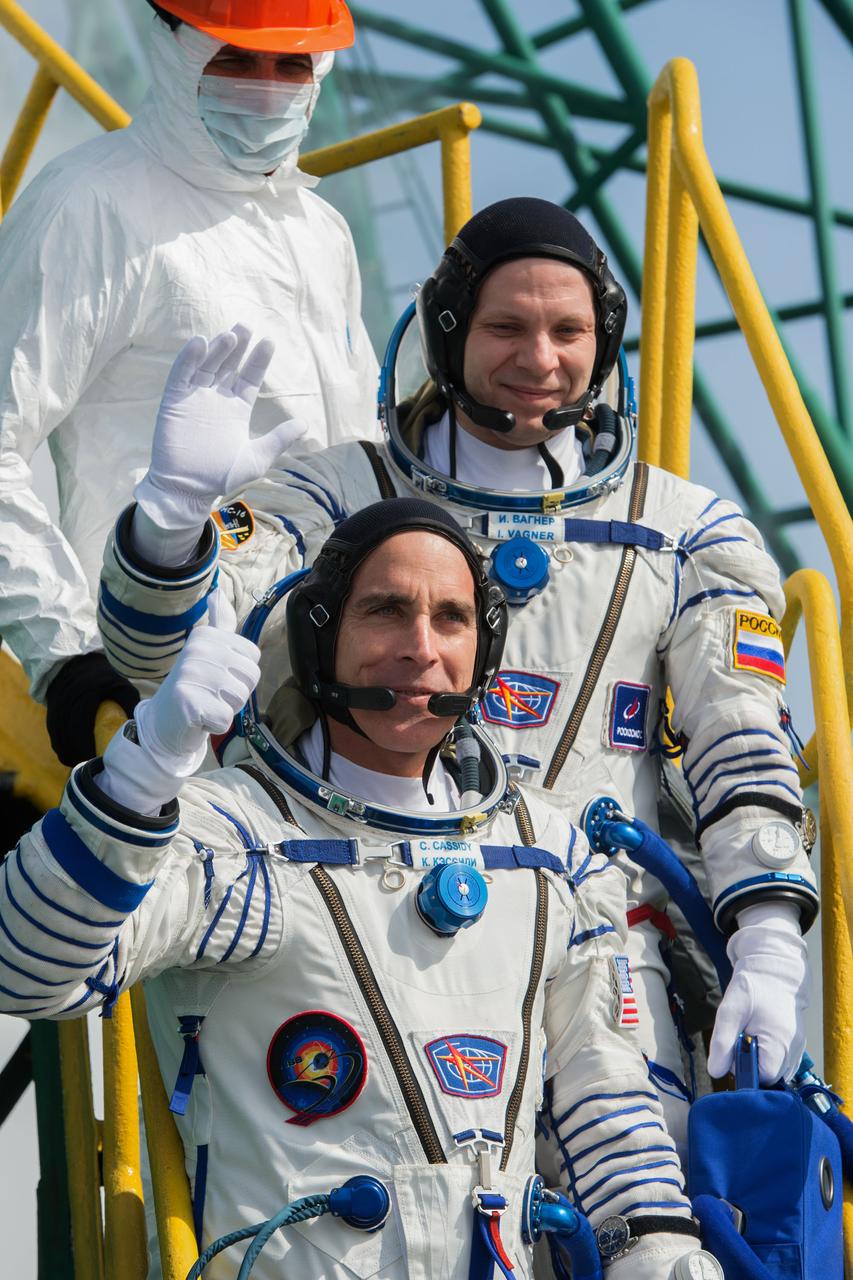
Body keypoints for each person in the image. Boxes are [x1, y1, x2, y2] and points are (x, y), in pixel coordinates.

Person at [98, 199, 817, 1157]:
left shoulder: (683, 536)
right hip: (362, 937)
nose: (539, 359)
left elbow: (741, 741)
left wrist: (767, 940)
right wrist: (171, 525)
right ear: (447, 331)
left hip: (604, 960)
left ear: (604, 343)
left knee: (644, 1203)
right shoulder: (332, 496)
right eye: (505, 327)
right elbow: (158, 655)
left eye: (567, 332)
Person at [0, 500, 721, 1280]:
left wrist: (657, 1255)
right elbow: (27, 970)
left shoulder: (549, 856)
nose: (421, 647)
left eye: (451, 619)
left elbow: (607, 1107)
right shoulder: (235, 837)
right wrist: (141, 773)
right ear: (319, 636)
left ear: (484, 650)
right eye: (385, 611)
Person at [0, 0, 378, 766]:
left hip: (338, 692)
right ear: (172, 46)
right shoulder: (91, 204)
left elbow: (365, 451)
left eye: (290, 64)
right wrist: (67, 655)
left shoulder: (319, 231)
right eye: (235, 59)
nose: (265, 88)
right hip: (156, 683)